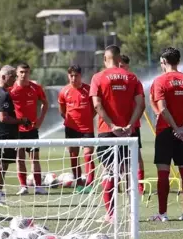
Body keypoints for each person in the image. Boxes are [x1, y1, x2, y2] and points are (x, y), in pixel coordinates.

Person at [90, 45, 144, 224]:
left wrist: (112, 125)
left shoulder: (98, 77)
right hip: (128, 133)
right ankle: (131, 212)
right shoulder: (132, 77)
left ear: (105, 59)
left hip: (107, 131)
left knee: (109, 172)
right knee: (128, 172)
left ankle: (111, 214)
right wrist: (129, 126)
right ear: (119, 59)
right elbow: (140, 105)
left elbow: (97, 105)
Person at [149, 47, 183, 222]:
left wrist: (174, 128)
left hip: (165, 132)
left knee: (163, 173)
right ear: (178, 61)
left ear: (163, 62)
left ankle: (163, 214)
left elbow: (162, 109)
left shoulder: (160, 81)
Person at [0, 65, 30, 207]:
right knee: (1, 167)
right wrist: (21, 120)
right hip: (4, 135)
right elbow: (3, 117)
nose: (15, 79)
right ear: (4, 77)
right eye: (13, 76)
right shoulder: (3, 94)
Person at [11, 63, 49, 195]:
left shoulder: (35, 88)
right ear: (17, 73)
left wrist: (40, 120)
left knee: (34, 158)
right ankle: (23, 186)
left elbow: (45, 104)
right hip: (17, 130)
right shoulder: (11, 89)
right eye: (21, 72)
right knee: (20, 158)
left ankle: (38, 186)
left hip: (32, 129)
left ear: (29, 73)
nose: (23, 74)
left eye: (26, 72)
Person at [58, 65, 95, 194]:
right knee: (73, 156)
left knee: (88, 154)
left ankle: (90, 184)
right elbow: (62, 110)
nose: (73, 78)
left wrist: (87, 119)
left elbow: (95, 109)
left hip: (86, 129)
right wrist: (70, 119)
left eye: (76, 76)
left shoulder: (88, 90)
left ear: (81, 75)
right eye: (71, 76)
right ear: (68, 76)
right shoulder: (64, 91)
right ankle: (79, 184)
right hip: (71, 128)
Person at [119, 55, 146, 194]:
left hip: (132, 126)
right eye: (118, 66)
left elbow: (141, 104)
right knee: (118, 159)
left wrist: (134, 122)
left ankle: (138, 185)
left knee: (136, 156)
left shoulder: (133, 80)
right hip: (117, 127)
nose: (120, 69)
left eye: (122, 66)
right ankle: (118, 185)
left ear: (128, 66)